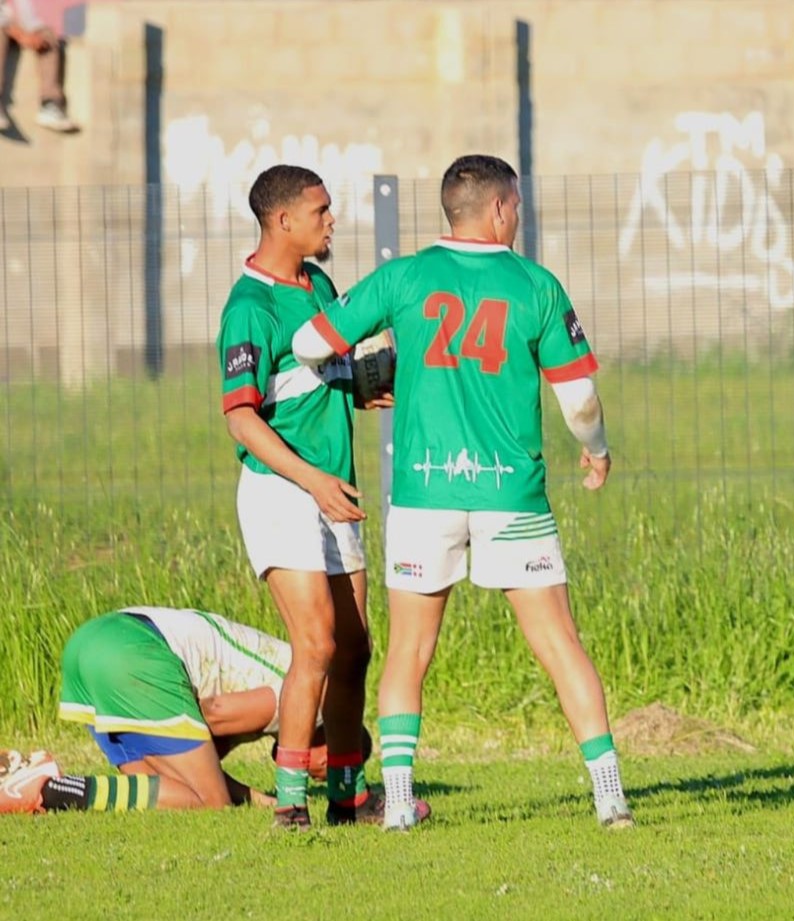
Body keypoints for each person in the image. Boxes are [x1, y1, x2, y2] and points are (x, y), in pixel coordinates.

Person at [291, 154, 630, 831]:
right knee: (559, 643)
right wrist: (594, 452)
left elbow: (306, 343)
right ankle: (610, 795)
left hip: (423, 493)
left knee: (410, 650)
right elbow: (580, 398)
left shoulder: (404, 276)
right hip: (512, 495)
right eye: (517, 207)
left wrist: (359, 375)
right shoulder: (535, 284)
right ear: (501, 209)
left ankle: (397, 806)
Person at [216, 165, 387, 829]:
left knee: (354, 646)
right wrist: (310, 478)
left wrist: (363, 387)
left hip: (331, 486)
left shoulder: (317, 283)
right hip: (281, 491)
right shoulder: (248, 309)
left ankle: (348, 793)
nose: (331, 220)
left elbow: (316, 376)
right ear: (282, 221)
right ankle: (291, 800)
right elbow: (242, 417)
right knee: (313, 643)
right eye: (320, 211)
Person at [0, 607, 368, 814]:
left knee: (166, 794)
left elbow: (199, 759)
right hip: (134, 655)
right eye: (335, 765)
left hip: (94, 644)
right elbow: (212, 714)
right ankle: (47, 790)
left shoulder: (293, 683)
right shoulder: (314, 695)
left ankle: (40, 783)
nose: (323, 775)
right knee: (212, 803)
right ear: (330, 739)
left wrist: (259, 798)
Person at [0, 0, 78, 133]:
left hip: (10, 24)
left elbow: (27, 16)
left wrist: (35, 32)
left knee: (47, 35)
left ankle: (50, 104)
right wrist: (22, 36)